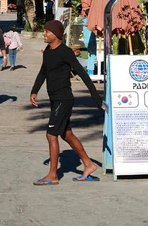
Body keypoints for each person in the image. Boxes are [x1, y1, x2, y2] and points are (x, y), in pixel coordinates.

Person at [30, 20, 104, 186]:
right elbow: (43, 72)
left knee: (51, 134)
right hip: (54, 99)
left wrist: (96, 98)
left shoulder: (66, 52)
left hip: (64, 99)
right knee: (66, 134)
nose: (44, 34)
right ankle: (89, 165)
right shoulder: (48, 51)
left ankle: (53, 175)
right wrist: (34, 90)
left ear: (55, 34)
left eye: (47, 32)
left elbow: (83, 75)